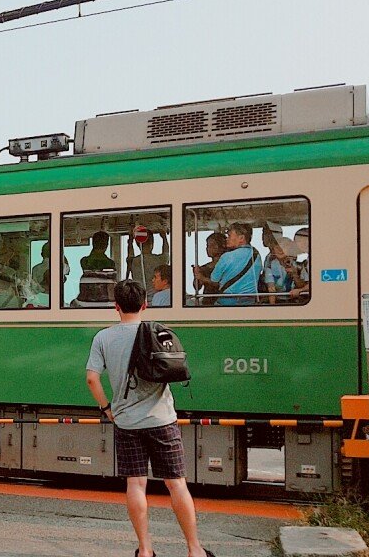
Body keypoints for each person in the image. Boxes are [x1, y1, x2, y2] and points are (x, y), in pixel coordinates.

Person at [85, 280, 213, 557]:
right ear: (145, 304)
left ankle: (145, 550)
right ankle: (194, 550)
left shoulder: (103, 338)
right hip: (162, 420)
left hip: (127, 422)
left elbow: (91, 379)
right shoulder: (158, 332)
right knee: (176, 483)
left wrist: (107, 409)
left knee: (136, 484)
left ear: (115, 306)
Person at [194, 222, 259, 306]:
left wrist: (201, 277)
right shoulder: (256, 255)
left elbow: (214, 280)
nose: (227, 239)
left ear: (241, 238)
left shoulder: (227, 257)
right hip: (249, 302)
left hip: (227, 303)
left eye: (229, 236)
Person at [191, 233, 228, 303]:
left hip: (223, 302)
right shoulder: (205, 268)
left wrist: (202, 278)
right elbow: (197, 287)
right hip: (208, 303)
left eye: (212, 245)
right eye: (207, 246)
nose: (208, 248)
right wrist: (196, 275)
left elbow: (222, 284)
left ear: (222, 246)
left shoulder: (228, 265)